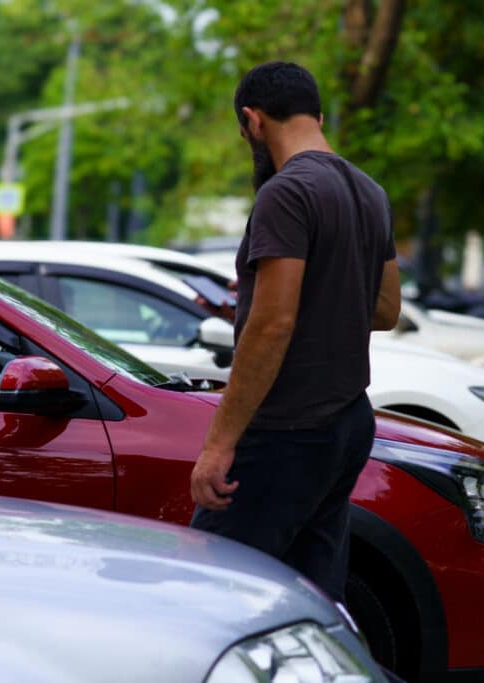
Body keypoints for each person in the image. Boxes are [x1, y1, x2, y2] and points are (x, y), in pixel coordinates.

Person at [188, 62, 401, 609]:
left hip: (286, 428)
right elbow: (385, 309)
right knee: (310, 599)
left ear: (252, 121)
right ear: (318, 116)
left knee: (221, 594)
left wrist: (218, 445)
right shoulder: (370, 192)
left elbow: (273, 324)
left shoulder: (286, 193)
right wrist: (328, 291)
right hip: (348, 421)